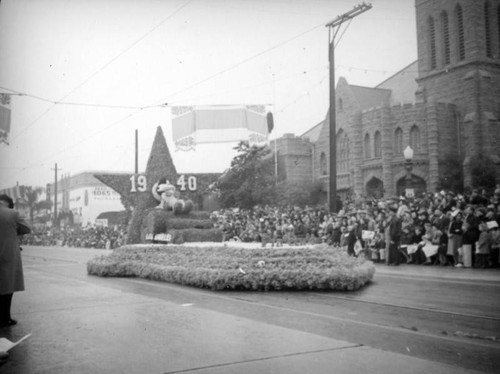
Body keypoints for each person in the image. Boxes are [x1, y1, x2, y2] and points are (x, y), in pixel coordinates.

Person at [0, 194, 31, 327]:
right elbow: (26, 228)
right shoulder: (13, 213)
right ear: (9, 204)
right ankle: (4, 318)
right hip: (7, 253)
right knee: (7, 287)